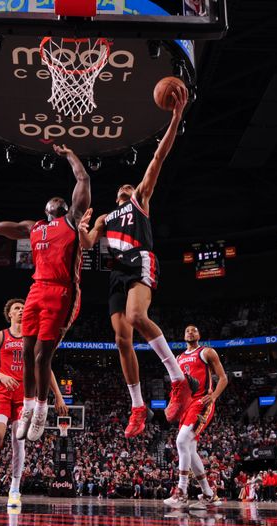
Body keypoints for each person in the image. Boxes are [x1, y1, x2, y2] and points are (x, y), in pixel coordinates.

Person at [0, 144, 90, 442]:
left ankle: (41, 411)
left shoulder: (72, 221)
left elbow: (83, 181)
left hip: (62, 291)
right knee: (26, 349)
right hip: (37, 288)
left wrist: (70, 154)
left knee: (42, 355)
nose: (56, 201)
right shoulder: (33, 228)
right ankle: (29, 408)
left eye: (60, 201)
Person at [77, 86, 194, 438]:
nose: (122, 191)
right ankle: (138, 405)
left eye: (126, 189)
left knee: (137, 316)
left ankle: (177, 380)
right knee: (121, 339)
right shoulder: (105, 218)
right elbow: (86, 244)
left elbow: (158, 159)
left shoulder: (140, 199)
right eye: (120, 191)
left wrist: (175, 118)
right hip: (116, 272)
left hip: (140, 258)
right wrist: (83, 227)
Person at [0, 298, 68, 507]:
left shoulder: (34, 338)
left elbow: (46, 368)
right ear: (9, 313)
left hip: (25, 395)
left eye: (23, 308)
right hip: (3, 391)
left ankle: (15, 489)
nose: (21, 311)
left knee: (18, 442)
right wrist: (1, 376)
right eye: (17, 308)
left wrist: (59, 395)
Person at [163, 325, 228, 510]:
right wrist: (172, 403)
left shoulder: (207, 352)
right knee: (190, 450)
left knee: (181, 440)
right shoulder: (178, 358)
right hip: (186, 405)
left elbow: (223, 378)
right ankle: (208, 494)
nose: (190, 332)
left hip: (202, 402)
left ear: (199, 335)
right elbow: (177, 385)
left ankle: (181, 492)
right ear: (183, 336)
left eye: (194, 330)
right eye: (187, 330)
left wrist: (214, 396)